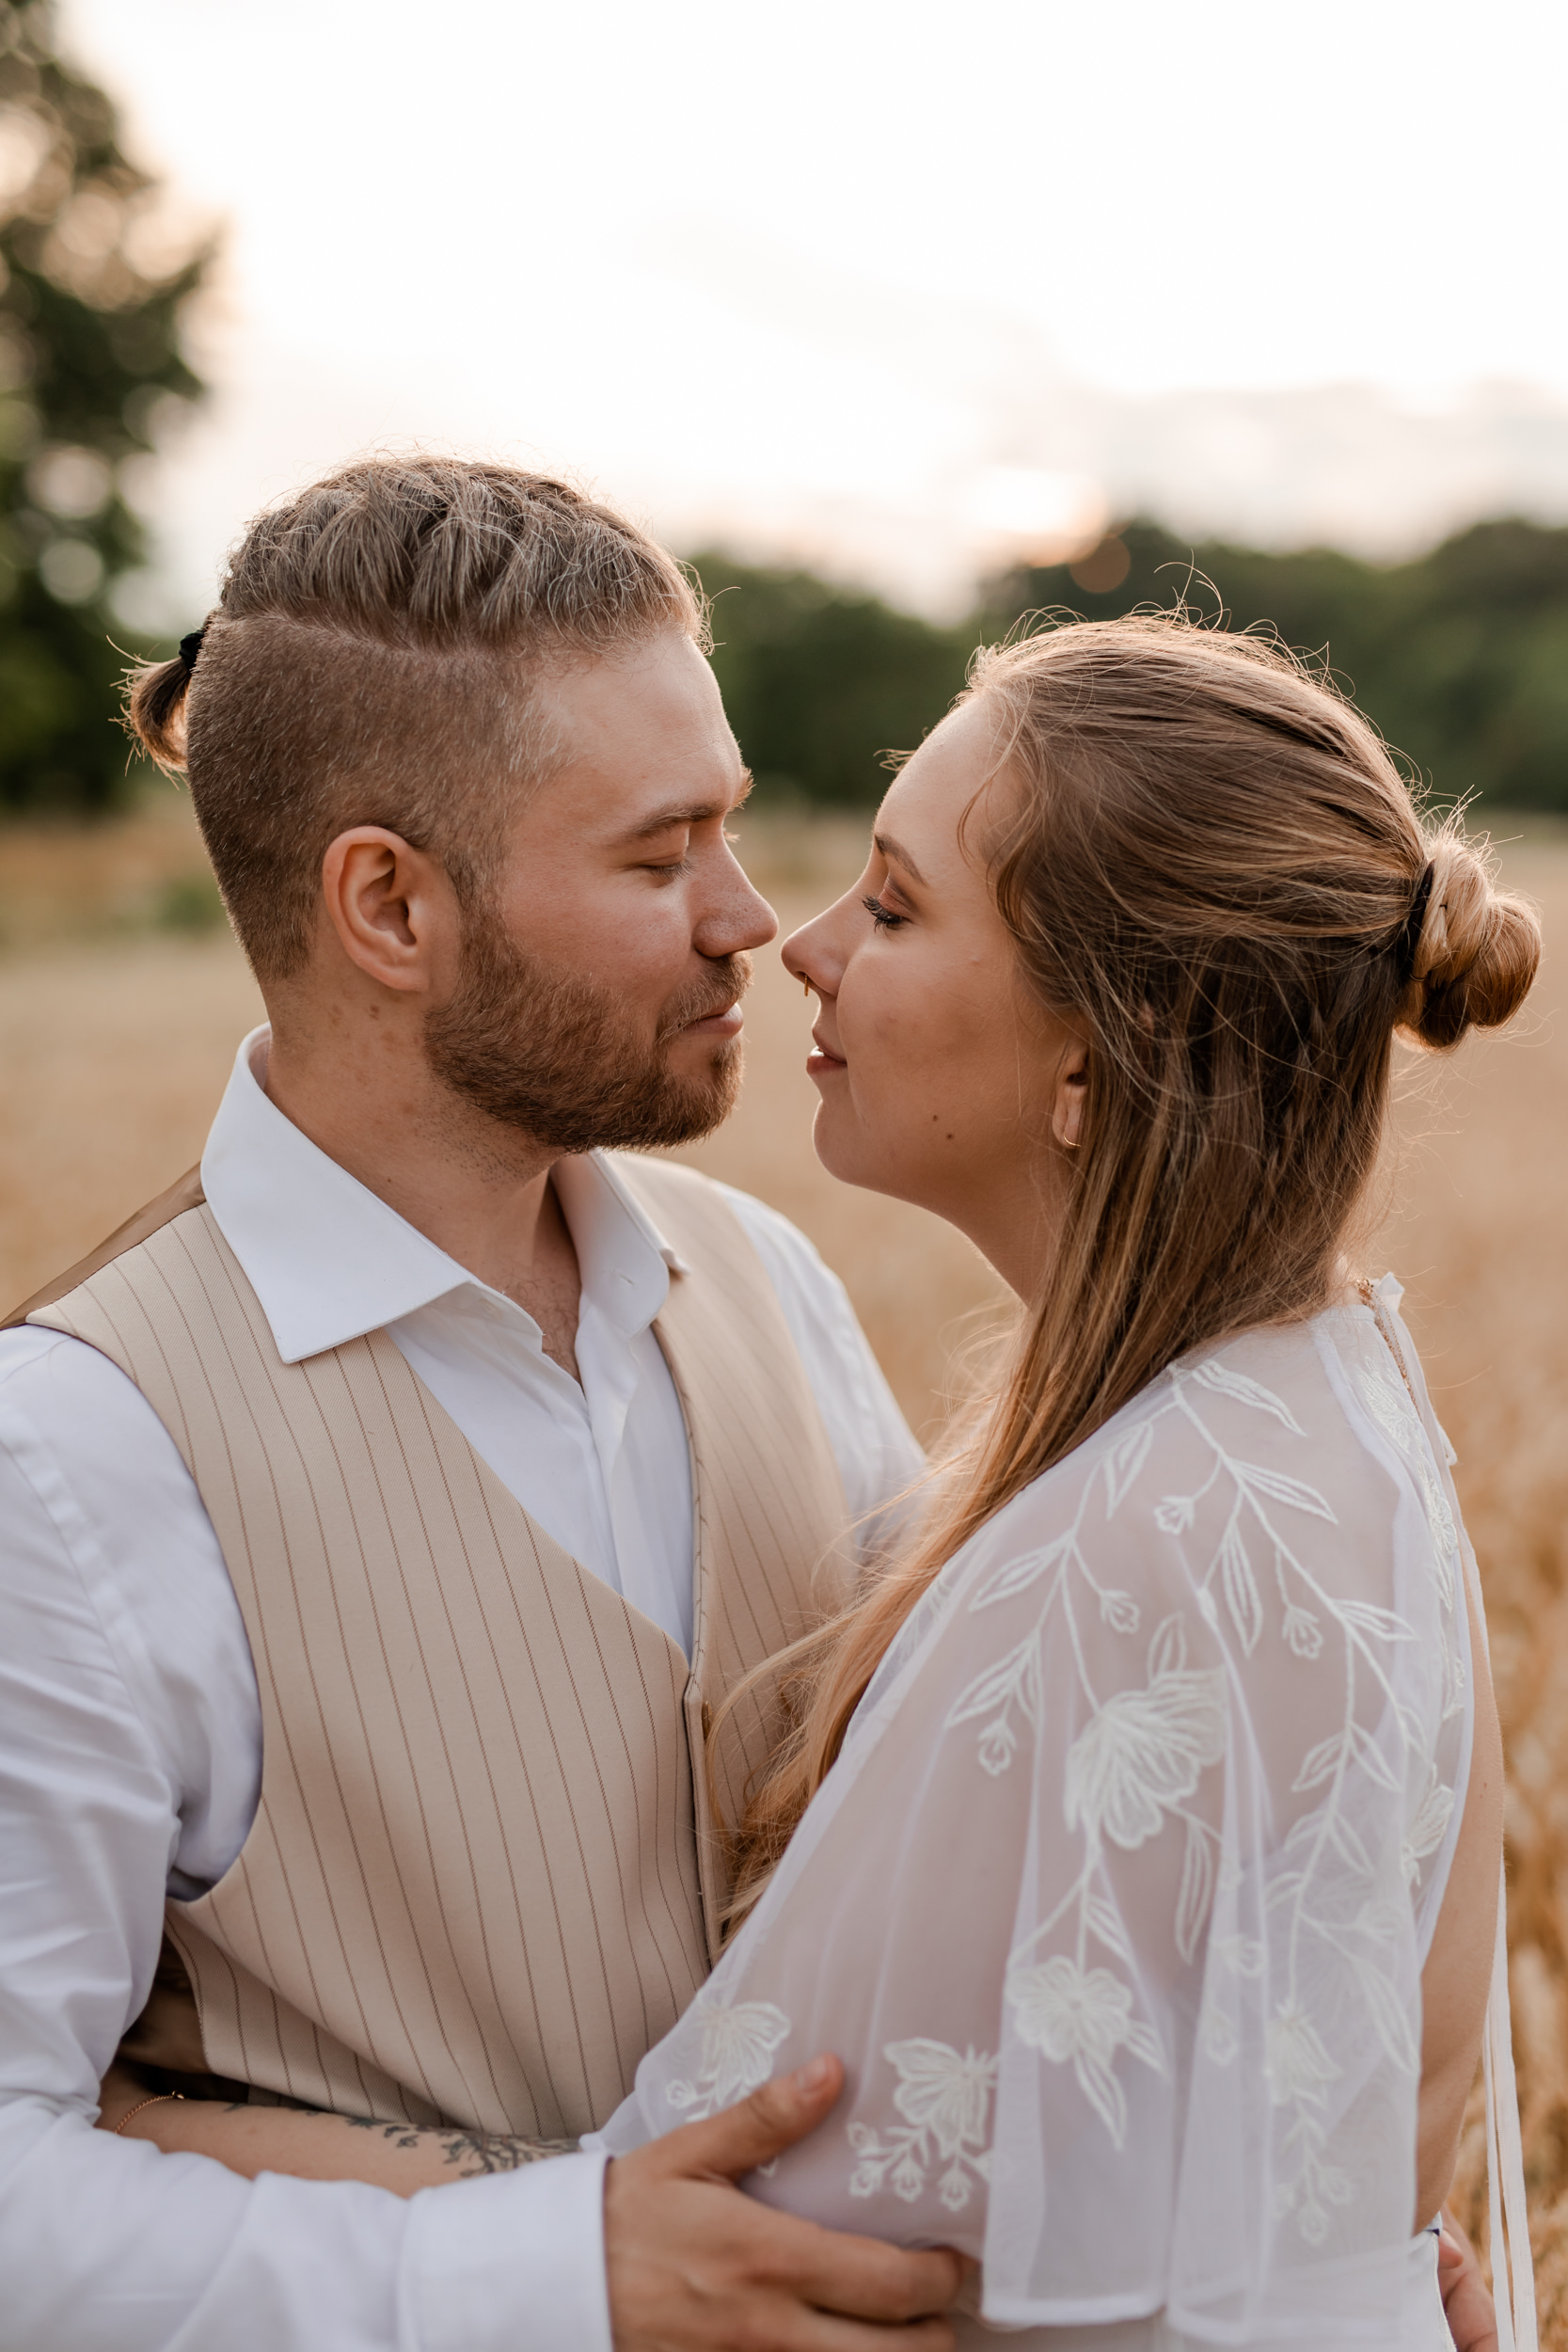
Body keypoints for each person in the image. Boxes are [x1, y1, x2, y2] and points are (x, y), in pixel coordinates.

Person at [103, 612, 1542, 2346]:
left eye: (896, 900)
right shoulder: (1337, 1409)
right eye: (666, 849)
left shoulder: (1117, 1551)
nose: (792, 943)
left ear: (1102, 1043)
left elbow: (738, 2228)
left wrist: (134, 2127)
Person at [0, 460, 967, 2352]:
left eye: (732, 827)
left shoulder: (765, 1280)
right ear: (388, 905)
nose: (748, 917)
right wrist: (548, 2269)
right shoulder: (75, 1458)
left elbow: (977, 1880)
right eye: (655, 850)